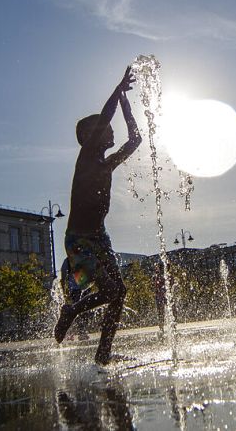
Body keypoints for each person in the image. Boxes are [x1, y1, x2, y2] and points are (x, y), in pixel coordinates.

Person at [54, 65, 142, 365]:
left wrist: (127, 104)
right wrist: (117, 90)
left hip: (99, 238)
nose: (112, 130)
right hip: (79, 240)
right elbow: (106, 115)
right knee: (110, 290)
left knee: (118, 293)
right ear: (90, 136)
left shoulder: (107, 163)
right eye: (106, 128)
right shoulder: (88, 157)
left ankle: (103, 353)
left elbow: (136, 140)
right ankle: (72, 310)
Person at [60, 258, 91, 341]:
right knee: (79, 311)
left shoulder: (76, 259)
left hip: (82, 289)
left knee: (82, 311)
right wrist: (65, 293)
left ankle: (79, 332)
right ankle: (76, 332)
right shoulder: (69, 261)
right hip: (76, 290)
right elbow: (63, 278)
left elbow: (63, 278)